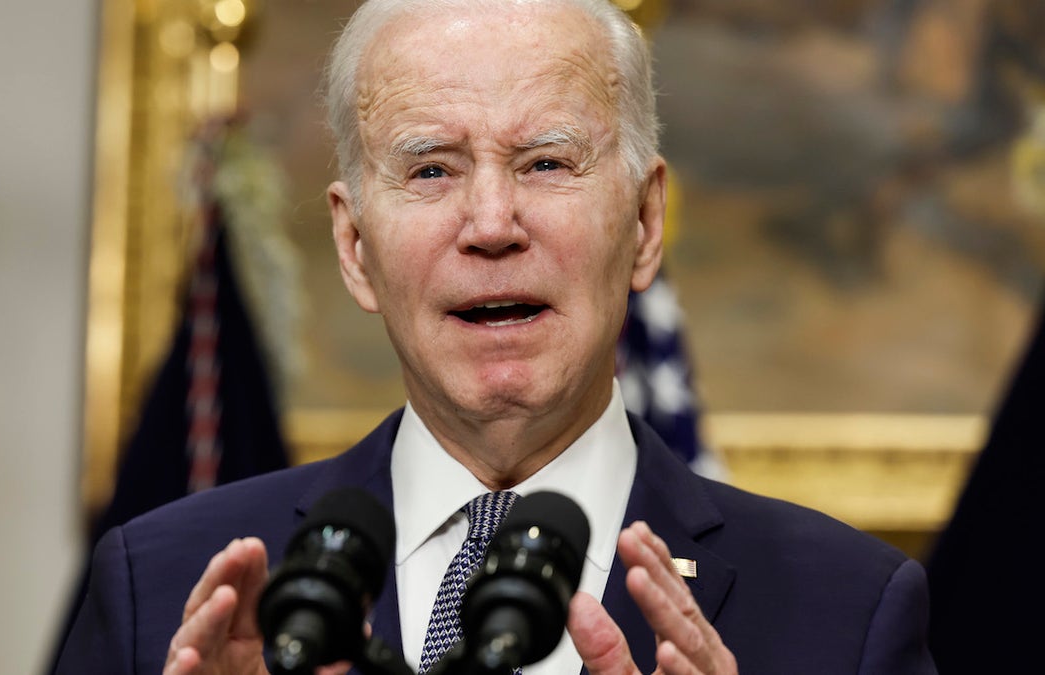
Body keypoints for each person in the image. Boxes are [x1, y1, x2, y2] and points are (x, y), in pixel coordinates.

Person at [56, 1, 936, 673]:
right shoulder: (160, 587)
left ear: (643, 221)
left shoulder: (848, 611)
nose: (490, 223)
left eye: (546, 163)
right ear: (354, 246)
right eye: (431, 168)